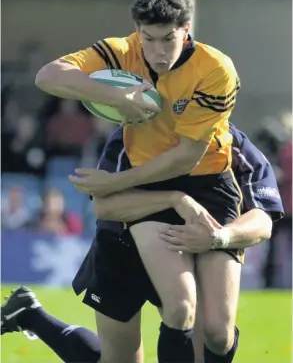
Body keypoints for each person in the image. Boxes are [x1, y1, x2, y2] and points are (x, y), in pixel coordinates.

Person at [35, 0, 242, 363]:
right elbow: (47, 76)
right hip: (149, 186)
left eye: (168, 39)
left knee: (216, 332)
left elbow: (186, 158)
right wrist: (114, 94)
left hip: (209, 184)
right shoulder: (121, 52)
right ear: (137, 32)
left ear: (186, 30)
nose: (158, 52)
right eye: (149, 39)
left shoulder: (215, 69)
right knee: (179, 309)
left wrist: (116, 183)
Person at [1, 123, 284, 363]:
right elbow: (105, 207)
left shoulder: (234, 145)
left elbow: (263, 219)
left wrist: (219, 236)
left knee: (211, 336)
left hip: (188, 246)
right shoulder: (130, 135)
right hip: (121, 242)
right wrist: (175, 200)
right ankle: (30, 315)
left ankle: (28, 313)